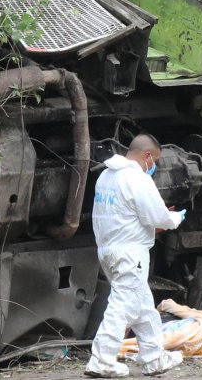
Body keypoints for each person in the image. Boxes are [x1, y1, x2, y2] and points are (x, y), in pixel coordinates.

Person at [85, 134, 187, 378]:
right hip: (130, 253)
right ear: (148, 156)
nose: (156, 166)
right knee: (122, 307)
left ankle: (154, 358)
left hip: (108, 250)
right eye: (156, 161)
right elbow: (159, 217)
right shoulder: (137, 179)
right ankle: (101, 361)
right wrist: (177, 217)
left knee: (142, 307)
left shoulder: (106, 176)